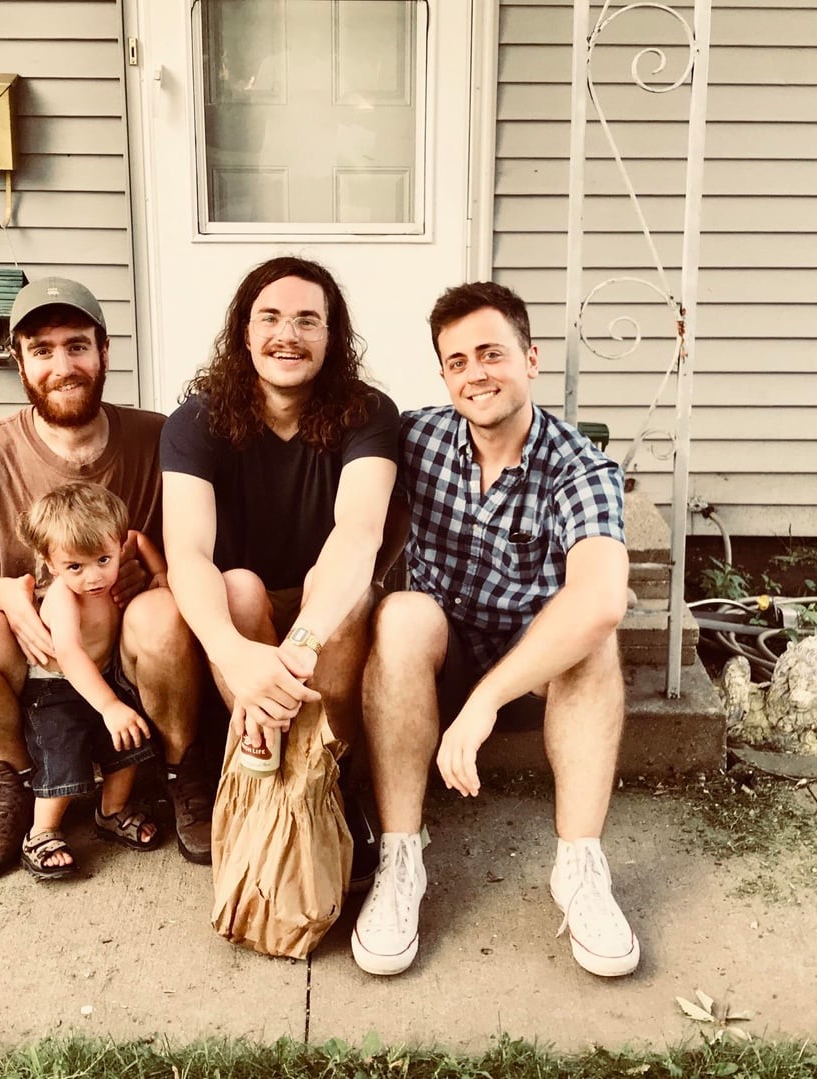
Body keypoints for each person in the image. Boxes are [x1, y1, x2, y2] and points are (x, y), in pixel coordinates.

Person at [352, 281, 639, 979]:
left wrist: (486, 701)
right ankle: (400, 856)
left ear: (531, 359)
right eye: (458, 361)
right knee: (400, 615)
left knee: (593, 637)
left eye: (492, 353)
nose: (475, 374)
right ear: (444, 375)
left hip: (531, 659)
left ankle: (580, 866)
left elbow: (602, 597)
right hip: (438, 652)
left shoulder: (578, 466)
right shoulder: (417, 438)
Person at [0, 277, 212, 880]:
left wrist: (157, 577)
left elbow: (196, 545)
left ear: (104, 352)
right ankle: (18, 778)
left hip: (129, 643)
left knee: (165, 612)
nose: (62, 366)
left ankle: (182, 772)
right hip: (38, 652)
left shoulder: (157, 438)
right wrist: (4, 593)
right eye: (42, 350)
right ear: (19, 362)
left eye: (77, 346)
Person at [160, 256, 401, 881]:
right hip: (244, 612)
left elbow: (359, 532)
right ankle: (264, 767)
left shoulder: (367, 412)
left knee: (341, 592)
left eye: (307, 321)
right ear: (244, 332)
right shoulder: (197, 421)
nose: (287, 335)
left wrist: (301, 643)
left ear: (332, 335)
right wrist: (233, 654)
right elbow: (187, 551)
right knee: (237, 588)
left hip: (327, 606)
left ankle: (332, 776)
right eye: (269, 318)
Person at [15, 481, 165, 879]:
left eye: (103, 559)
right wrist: (109, 706)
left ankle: (111, 811)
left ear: (115, 545)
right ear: (51, 564)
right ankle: (42, 831)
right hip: (56, 688)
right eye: (74, 567)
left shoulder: (117, 552)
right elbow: (69, 654)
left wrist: (160, 573)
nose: (93, 577)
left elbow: (138, 539)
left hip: (101, 679)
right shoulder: (65, 598)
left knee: (130, 742)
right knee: (62, 754)